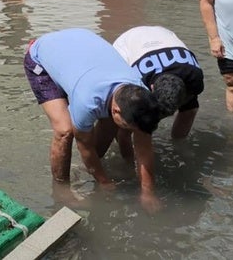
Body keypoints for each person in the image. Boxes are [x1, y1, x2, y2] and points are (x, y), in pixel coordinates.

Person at [24, 28, 161, 212]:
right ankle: (60, 190)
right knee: (64, 131)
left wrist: (148, 191)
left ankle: (88, 168)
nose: (130, 133)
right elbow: (85, 146)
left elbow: (144, 147)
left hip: (78, 45)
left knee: (110, 123)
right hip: (41, 57)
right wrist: (103, 181)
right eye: (129, 128)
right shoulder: (88, 102)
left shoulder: (140, 95)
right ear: (116, 109)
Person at [113, 26, 204, 144]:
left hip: (164, 34)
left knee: (190, 109)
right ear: (151, 88)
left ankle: (178, 144)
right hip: (126, 43)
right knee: (129, 115)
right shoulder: (138, 81)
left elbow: (189, 106)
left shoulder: (194, 77)